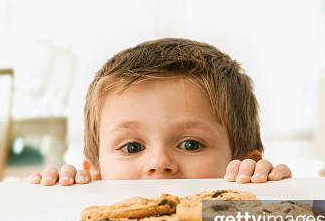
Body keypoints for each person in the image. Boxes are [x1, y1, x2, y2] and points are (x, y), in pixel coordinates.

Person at [29, 38, 291, 186]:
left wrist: (266, 196)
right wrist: (63, 194)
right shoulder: (93, 202)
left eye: (190, 144)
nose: (159, 163)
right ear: (97, 172)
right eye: (132, 147)